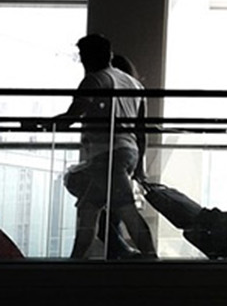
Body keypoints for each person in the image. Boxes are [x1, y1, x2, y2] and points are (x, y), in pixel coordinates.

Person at [44, 34, 155, 259]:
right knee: (88, 209)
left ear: (88, 57)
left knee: (126, 210)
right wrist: (139, 167)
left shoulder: (95, 80)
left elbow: (71, 116)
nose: (83, 62)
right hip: (127, 152)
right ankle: (74, 262)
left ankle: (152, 260)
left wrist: (44, 125)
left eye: (83, 57)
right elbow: (141, 132)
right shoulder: (135, 84)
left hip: (108, 155)